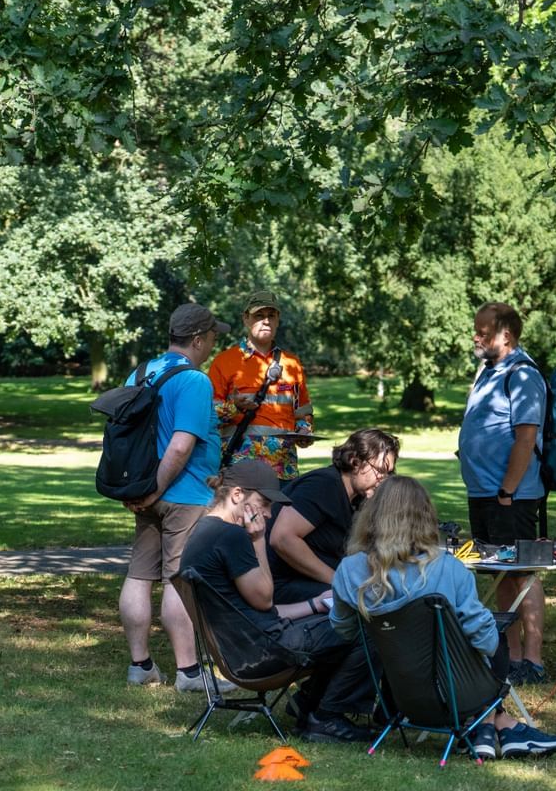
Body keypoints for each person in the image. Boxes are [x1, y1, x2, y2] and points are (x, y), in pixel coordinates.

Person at [330, 476, 556, 760]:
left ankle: (489, 728)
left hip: (401, 694)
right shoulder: (448, 569)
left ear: (371, 517)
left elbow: (345, 629)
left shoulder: (349, 571)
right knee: (496, 637)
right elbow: (485, 640)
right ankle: (493, 724)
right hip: (458, 696)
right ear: (425, 518)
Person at [179, 460, 376, 743]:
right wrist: (259, 540)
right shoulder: (232, 536)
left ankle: (310, 707)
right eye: (265, 503)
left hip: (245, 646)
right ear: (237, 495)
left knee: (338, 616)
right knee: (367, 627)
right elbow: (263, 599)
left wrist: (315, 604)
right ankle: (326, 717)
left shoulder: (204, 530)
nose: (269, 514)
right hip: (261, 652)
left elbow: (254, 610)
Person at [120, 302, 234, 694]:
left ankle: (140, 666)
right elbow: (182, 445)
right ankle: (188, 672)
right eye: (213, 337)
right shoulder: (194, 381)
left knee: (139, 575)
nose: (214, 345)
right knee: (178, 579)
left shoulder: (141, 373)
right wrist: (157, 487)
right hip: (183, 494)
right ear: (198, 339)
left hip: (142, 493)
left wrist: (139, 491)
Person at [458, 301, 549, 686]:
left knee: (522, 573)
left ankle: (533, 660)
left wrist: (507, 491)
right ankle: (509, 656)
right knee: (498, 572)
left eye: (482, 332)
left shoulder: (523, 375)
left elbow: (526, 438)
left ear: (506, 335)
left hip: (510, 496)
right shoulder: (488, 371)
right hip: (484, 493)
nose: (475, 337)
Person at [267, 428, 399, 604]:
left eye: (389, 473)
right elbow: (282, 538)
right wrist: (338, 581)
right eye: (380, 470)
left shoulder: (357, 498)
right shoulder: (324, 484)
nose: (383, 479)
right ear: (355, 461)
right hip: (282, 585)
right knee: (369, 600)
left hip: (309, 581)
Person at [208, 290, 314, 484]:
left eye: (271, 316)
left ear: (278, 320)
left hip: (283, 470)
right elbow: (208, 416)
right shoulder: (223, 362)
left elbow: (302, 412)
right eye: (259, 315)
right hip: (240, 470)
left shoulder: (292, 364)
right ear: (246, 319)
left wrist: (304, 431)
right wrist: (234, 407)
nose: (266, 321)